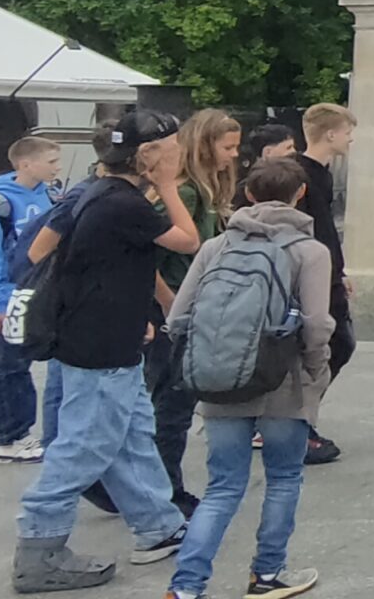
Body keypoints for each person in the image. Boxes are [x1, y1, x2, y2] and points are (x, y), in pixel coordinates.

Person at [12, 109, 198, 593]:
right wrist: (169, 187)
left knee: (132, 433)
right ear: (147, 156)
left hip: (104, 335)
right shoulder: (123, 202)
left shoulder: (97, 192)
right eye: (172, 149)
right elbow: (187, 240)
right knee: (84, 446)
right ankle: (40, 547)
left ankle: (159, 525)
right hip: (100, 344)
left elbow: (81, 261)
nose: (179, 156)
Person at [161, 156, 331, 599]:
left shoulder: (216, 247)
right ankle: (267, 575)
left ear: (249, 195)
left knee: (222, 487)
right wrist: (317, 372)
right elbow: (316, 324)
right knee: (284, 479)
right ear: (301, 194)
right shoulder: (310, 251)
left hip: (219, 378)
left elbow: (178, 318)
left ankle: (186, 587)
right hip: (284, 381)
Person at [151, 109, 238, 513]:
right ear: (205, 146)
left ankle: (159, 484)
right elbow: (145, 253)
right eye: (228, 147)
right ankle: (166, 488)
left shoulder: (205, 193)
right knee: (171, 403)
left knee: (175, 402)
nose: (233, 156)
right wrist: (168, 299)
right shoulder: (185, 194)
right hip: (172, 311)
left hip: (191, 307)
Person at [0, 136, 64, 463]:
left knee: (12, 363)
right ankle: (12, 437)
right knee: (11, 365)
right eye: (51, 161)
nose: (57, 167)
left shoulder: (51, 195)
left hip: (38, 291)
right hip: (8, 294)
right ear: (26, 164)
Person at [294, 104, 355, 466]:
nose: (350, 139)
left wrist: (340, 271)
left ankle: (300, 420)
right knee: (328, 346)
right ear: (330, 134)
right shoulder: (301, 174)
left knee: (338, 345)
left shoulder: (322, 174)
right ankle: (297, 423)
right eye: (346, 132)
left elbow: (327, 229)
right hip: (313, 274)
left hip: (327, 271)